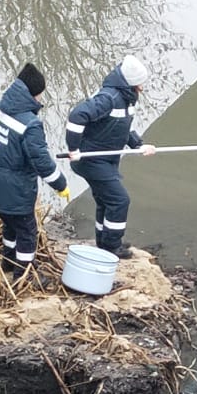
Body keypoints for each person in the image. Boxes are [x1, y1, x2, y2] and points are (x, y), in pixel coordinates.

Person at [0, 62, 70, 278]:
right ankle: (24, 274)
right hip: (15, 189)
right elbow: (42, 162)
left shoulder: (0, 108)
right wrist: (61, 185)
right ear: (33, 94)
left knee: (10, 224)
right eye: (40, 95)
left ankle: (9, 261)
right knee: (27, 232)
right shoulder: (31, 124)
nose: (40, 99)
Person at [65, 55, 157, 259]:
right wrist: (74, 148)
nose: (143, 87)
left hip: (107, 160)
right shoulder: (109, 98)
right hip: (91, 160)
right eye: (140, 83)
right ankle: (112, 247)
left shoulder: (127, 99)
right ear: (131, 83)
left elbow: (123, 128)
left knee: (105, 200)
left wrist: (139, 145)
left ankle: (104, 241)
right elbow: (76, 116)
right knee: (119, 200)